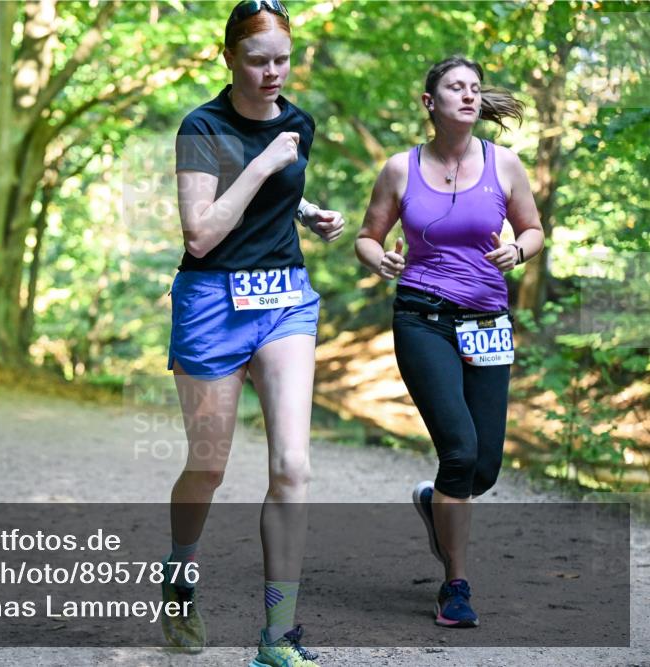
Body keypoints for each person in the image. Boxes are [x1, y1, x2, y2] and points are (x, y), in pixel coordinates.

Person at [161, 2, 344, 665]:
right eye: (258, 60)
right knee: (209, 465)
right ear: (229, 57)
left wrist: (306, 210)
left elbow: (274, 197)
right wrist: (265, 164)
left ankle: (277, 635)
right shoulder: (201, 126)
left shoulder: (298, 124)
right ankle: (180, 571)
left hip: (284, 300)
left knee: (292, 465)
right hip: (212, 302)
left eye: (282, 60)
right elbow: (201, 233)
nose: (273, 73)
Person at [355, 55, 543, 628]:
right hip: (423, 317)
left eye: (474, 88)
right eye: (455, 87)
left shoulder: (504, 164)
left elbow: (534, 229)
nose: (468, 95)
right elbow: (368, 236)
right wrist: (381, 260)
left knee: (482, 469)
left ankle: (432, 502)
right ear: (429, 102)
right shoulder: (400, 168)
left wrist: (519, 250)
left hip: (487, 321)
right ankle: (455, 585)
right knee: (458, 451)